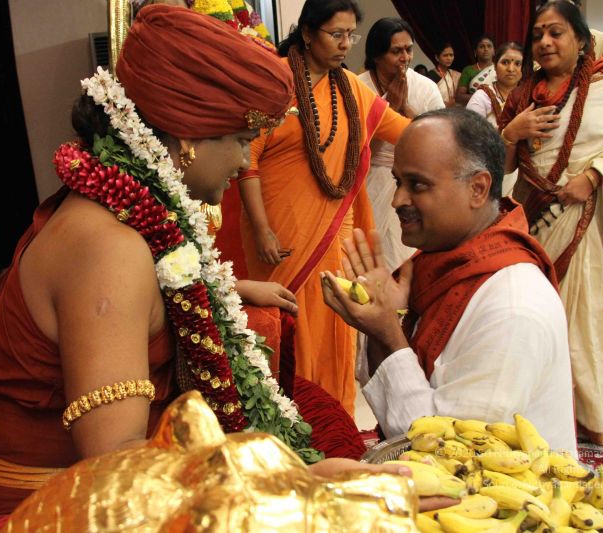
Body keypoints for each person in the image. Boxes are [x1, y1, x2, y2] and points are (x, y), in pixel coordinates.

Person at [0, 5, 407, 518]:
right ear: (189, 138)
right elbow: (116, 462)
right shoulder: (109, 249)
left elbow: (149, 296)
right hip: (48, 508)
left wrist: (225, 288)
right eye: (241, 141)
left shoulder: (130, 211)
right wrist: (291, 482)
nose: (244, 162)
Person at [321, 108, 578, 453]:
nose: (397, 200)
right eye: (398, 182)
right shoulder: (441, 263)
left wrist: (388, 333)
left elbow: (451, 451)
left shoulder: (513, 308)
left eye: (418, 185)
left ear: (478, 188)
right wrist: (390, 320)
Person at [500, 1, 603, 445]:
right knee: (532, 317)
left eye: (556, 33)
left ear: (581, 39)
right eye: (537, 35)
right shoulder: (523, 95)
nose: (545, 42)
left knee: (586, 317)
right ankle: (533, 412)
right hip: (535, 219)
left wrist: (591, 179)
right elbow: (501, 166)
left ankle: (591, 415)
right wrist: (512, 132)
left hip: (585, 218)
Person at [238, 0, 411, 416]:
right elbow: (247, 159)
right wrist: (261, 228)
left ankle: (333, 421)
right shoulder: (276, 81)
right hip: (278, 233)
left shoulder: (350, 88)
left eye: (351, 35)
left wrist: (458, 138)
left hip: (335, 231)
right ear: (308, 33)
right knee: (286, 325)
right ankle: (287, 422)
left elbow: (401, 130)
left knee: (336, 323)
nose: (346, 44)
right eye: (337, 34)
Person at [359, 17, 444, 270]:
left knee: (405, 257)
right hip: (369, 179)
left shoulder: (426, 88)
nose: (405, 58)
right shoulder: (359, 87)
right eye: (396, 51)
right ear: (376, 55)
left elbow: (441, 142)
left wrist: (405, 109)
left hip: (414, 181)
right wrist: (389, 109)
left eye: (409, 49)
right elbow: (355, 148)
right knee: (368, 255)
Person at [467, 42, 523, 127]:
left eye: (518, 64)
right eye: (505, 62)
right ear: (495, 66)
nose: (511, 69)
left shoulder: (529, 96)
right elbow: (470, 133)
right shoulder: (482, 98)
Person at [456, 35, 495, 106]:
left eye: (489, 46)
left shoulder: (499, 69)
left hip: (496, 109)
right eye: (482, 47)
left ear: (494, 51)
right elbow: (459, 97)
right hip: (474, 108)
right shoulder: (468, 70)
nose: (486, 49)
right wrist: (482, 98)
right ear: (475, 52)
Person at [426, 43, 461, 108]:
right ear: (437, 58)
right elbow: (428, 99)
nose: (449, 58)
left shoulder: (455, 74)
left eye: (451, 55)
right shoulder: (431, 76)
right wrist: (445, 105)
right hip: (438, 110)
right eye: (445, 55)